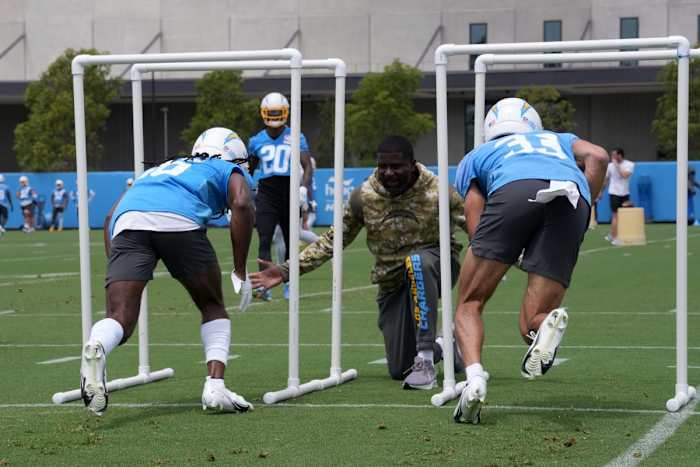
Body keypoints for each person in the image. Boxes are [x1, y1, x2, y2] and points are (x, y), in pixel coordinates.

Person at [251, 135, 468, 390]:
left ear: (412, 164)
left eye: (396, 166)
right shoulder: (364, 196)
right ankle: (443, 345)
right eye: (383, 166)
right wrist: (286, 271)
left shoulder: (439, 191)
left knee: (417, 262)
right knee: (399, 369)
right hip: (391, 281)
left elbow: (475, 226)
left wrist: (508, 254)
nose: (389, 173)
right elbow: (332, 241)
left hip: (436, 266)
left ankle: (426, 360)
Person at [451, 97, 608, 424]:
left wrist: (490, 254)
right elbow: (598, 156)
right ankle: (545, 326)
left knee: (470, 302)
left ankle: (475, 378)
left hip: (512, 191)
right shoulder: (558, 139)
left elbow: (474, 210)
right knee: (533, 323)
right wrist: (587, 203)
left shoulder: (477, 154)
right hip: (571, 197)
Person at [79, 127, 256, 415]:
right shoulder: (225, 166)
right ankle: (215, 386)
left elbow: (111, 216)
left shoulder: (158, 169)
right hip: (179, 222)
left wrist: (119, 267)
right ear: (233, 155)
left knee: (120, 318)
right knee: (212, 307)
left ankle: (97, 344)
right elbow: (241, 203)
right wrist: (240, 270)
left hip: (129, 223)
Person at [248, 92, 314, 301]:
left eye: (278, 112)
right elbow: (249, 171)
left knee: (289, 240)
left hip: (289, 190)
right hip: (266, 192)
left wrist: (303, 187)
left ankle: (289, 284)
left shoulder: (296, 136)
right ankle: (263, 286)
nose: (275, 117)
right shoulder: (256, 140)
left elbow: (307, 166)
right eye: (271, 112)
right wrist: (242, 197)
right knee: (264, 239)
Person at [604, 148, 634, 245]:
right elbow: (606, 179)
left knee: (624, 216)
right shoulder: (610, 166)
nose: (612, 157)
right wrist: (600, 191)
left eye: (614, 155)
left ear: (620, 155)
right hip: (614, 193)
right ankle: (614, 237)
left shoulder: (629, 164)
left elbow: (625, 175)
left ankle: (621, 235)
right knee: (615, 215)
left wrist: (617, 166)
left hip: (625, 193)